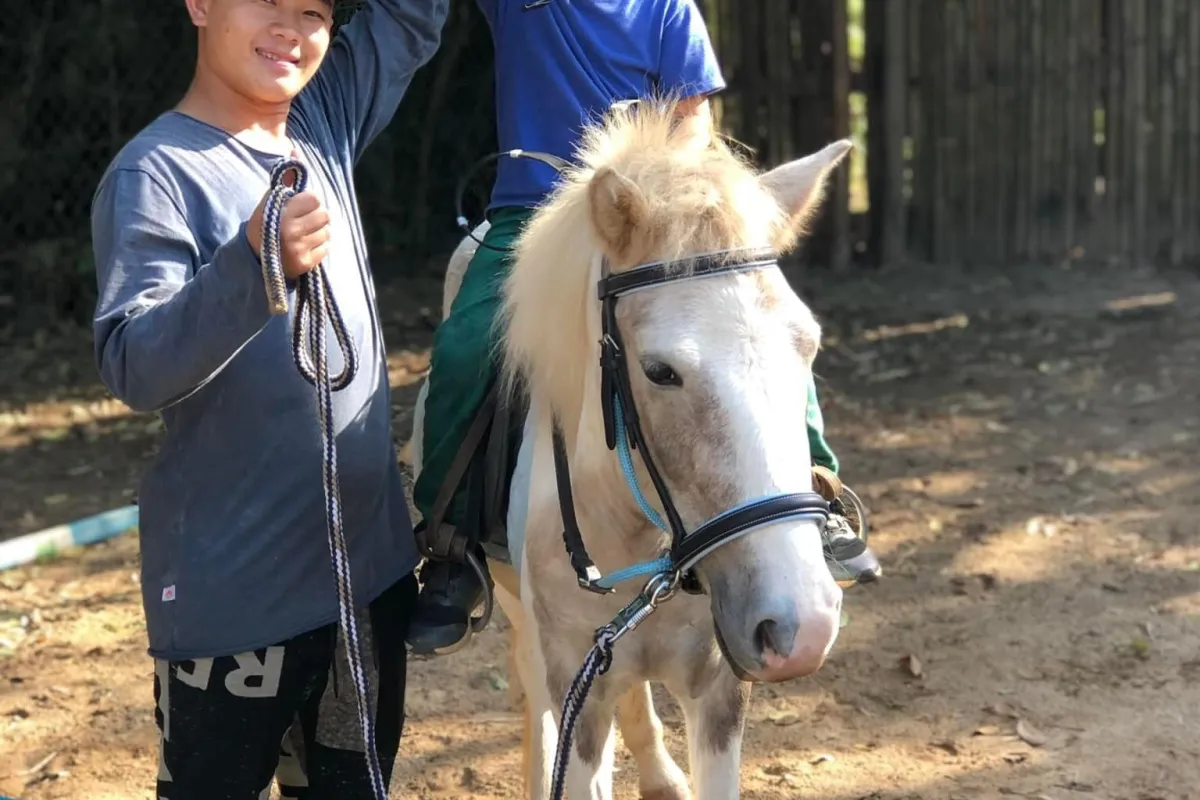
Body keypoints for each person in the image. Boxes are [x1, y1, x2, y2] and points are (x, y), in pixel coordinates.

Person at [407, 0, 881, 657]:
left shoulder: (665, 7)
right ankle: (449, 546)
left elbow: (692, 118)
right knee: (465, 346)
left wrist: (662, 200)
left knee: (764, 334)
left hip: (647, 217)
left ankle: (817, 495)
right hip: (532, 215)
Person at [90, 0, 448, 796]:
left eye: (315, 10)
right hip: (234, 602)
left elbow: (410, 19)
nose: (291, 27)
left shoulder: (321, 120)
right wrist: (251, 264)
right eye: (267, 1)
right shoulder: (156, 173)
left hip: (368, 581)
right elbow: (132, 363)